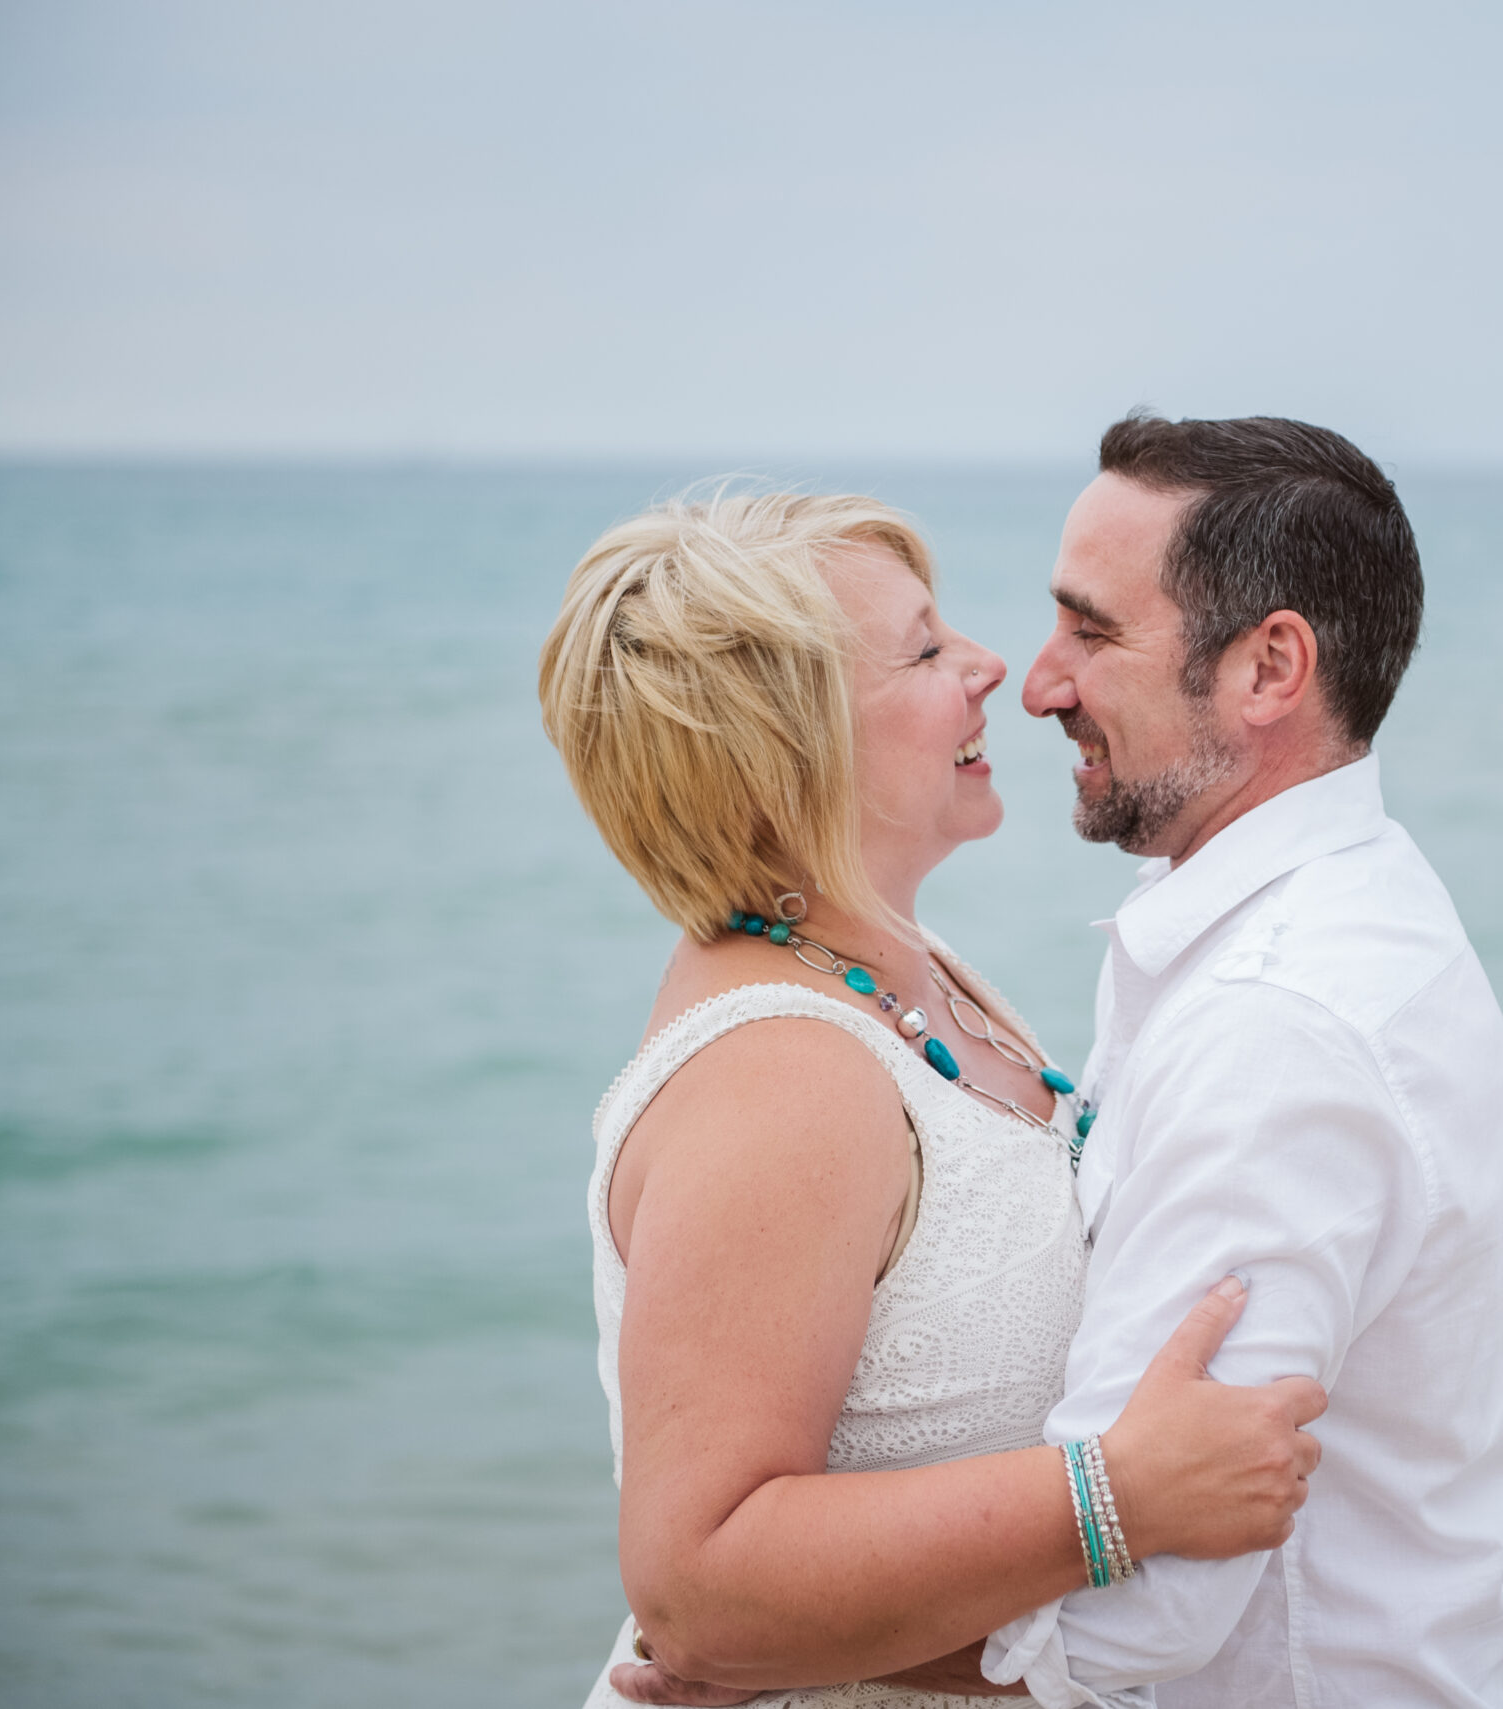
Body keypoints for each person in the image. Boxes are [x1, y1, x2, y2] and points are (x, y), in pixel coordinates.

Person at [619, 414, 1503, 1709]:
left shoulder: (1272, 1021)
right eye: (938, 647)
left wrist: (759, 1650)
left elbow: (1145, 1612)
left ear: (1271, 666)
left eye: (1093, 632)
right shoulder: (1218, 935)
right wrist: (735, 1619)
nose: (1033, 680)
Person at [538, 489, 1329, 1709]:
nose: (990, 665)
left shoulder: (912, 972)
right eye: (922, 648)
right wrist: (1119, 1496)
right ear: (787, 746)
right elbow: (698, 1589)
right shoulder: (780, 1078)